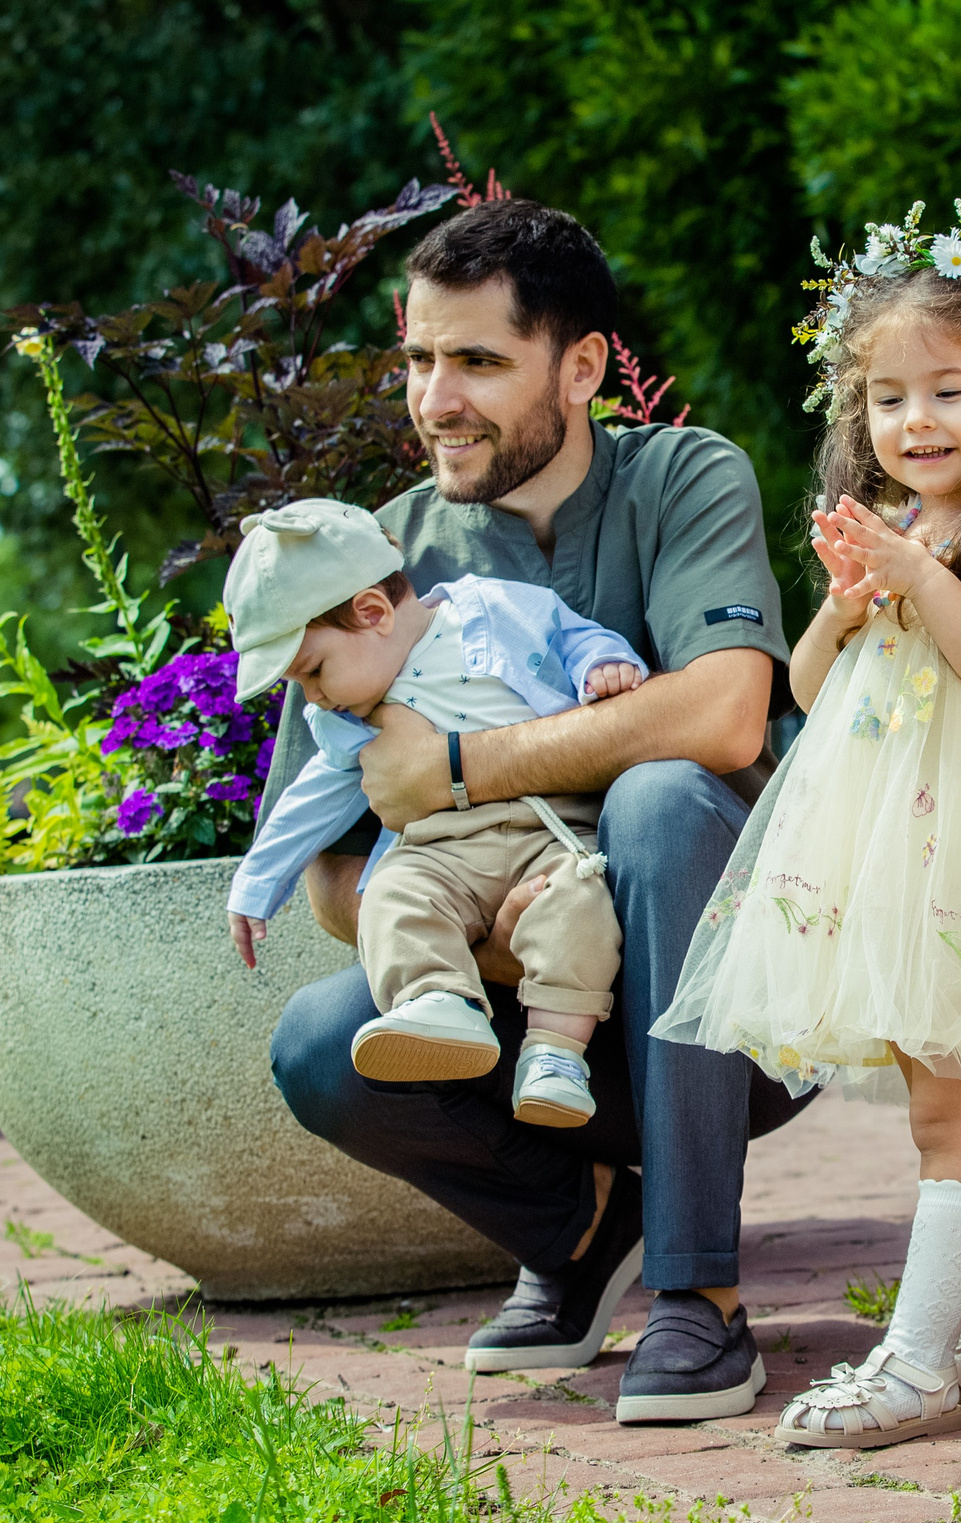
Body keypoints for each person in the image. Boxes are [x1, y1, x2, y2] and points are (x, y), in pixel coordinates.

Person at [260, 196, 812, 1425]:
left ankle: (697, 1297)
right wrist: (511, 931)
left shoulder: (684, 476)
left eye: (476, 362)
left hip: (744, 1016)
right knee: (317, 1046)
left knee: (666, 801)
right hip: (538, 1017)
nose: (434, 397)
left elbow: (724, 716)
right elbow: (334, 884)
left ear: (581, 367)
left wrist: (457, 770)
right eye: (417, 358)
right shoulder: (374, 560)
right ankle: (583, 1232)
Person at [654, 201, 961, 1452]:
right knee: (953, 1109)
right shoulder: (899, 536)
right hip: (893, 866)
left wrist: (922, 584)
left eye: (946, 393)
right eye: (885, 400)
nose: (913, 423)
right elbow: (810, 690)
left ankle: (916, 1364)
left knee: (950, 1118)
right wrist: (853, 602)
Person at [224, 499, 647, 1127]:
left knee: (578, 905)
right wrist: (257, 884)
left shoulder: (491, 611)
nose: (311, 695)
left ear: (372, 612)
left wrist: (601, 664)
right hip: (439, 852)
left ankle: (556, 1057)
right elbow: (312, 799)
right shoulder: (344, 718)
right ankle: (437, 1002)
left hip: (552, 830)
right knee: (394, 896)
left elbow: (569, 633)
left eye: (312, 671)